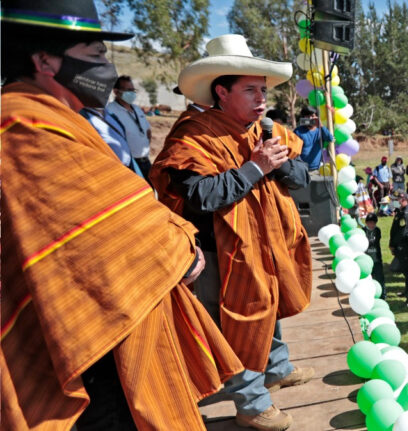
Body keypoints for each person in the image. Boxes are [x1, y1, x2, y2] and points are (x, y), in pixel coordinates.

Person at [0, 2, 242, 429]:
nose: (108, 70)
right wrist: (181, 249)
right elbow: (104, 224)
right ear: (45, 62)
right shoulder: (23, 124)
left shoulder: (61, 118)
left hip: (108, 320)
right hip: (87, 341)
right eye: (95, 55)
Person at [150, 34, 314, 430]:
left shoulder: (264, 129)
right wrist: (255, 168)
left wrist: (278, 164)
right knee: (236, 324)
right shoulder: (193, 135)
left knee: (266, 306)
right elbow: (200, 197)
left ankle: (275, 367)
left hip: (263, 246)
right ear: (221, 91)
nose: (262, 99)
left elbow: (300, 175)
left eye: (263, 90)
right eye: (251, 90)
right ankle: (252, 404)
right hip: (217, 254)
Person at [106, 75, 153, 178]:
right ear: (116, 91)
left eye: (133, 90)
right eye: (128, 90)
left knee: (151, 191)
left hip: (146, 161)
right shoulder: (110, 111)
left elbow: (148, 131)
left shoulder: (137, 109)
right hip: (129, 165)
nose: (131, 93)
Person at [390, 192, 408, 306]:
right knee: (406, 272)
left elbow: (402, 232)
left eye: (398, 199)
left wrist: (393, 244)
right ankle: (407, 292)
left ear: (404, 200)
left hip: (404, 246)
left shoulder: (406, 213)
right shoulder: (400, 211)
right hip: (400, 246)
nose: (396, 201)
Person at [294, 106, 332, 172]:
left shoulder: (321, 130)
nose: (310, 118)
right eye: (307, 116)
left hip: (317, 168)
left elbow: (330, 138)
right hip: (301, 169)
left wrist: (321, 125)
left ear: (317, 117)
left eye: (312, 116)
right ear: (303, 118)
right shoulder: (298, 131)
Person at [364, 213, 386, 299]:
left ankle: (383, 295)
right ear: (366, 223)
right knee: (369, 279)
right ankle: (370, 295)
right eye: (370, 223)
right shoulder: (363, 231)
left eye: (373, 223)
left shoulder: (377, 230)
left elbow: (375, 241)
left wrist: (367, 242)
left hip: (376, 259)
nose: (372, 225)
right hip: (367, 260)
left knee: (380, 278)